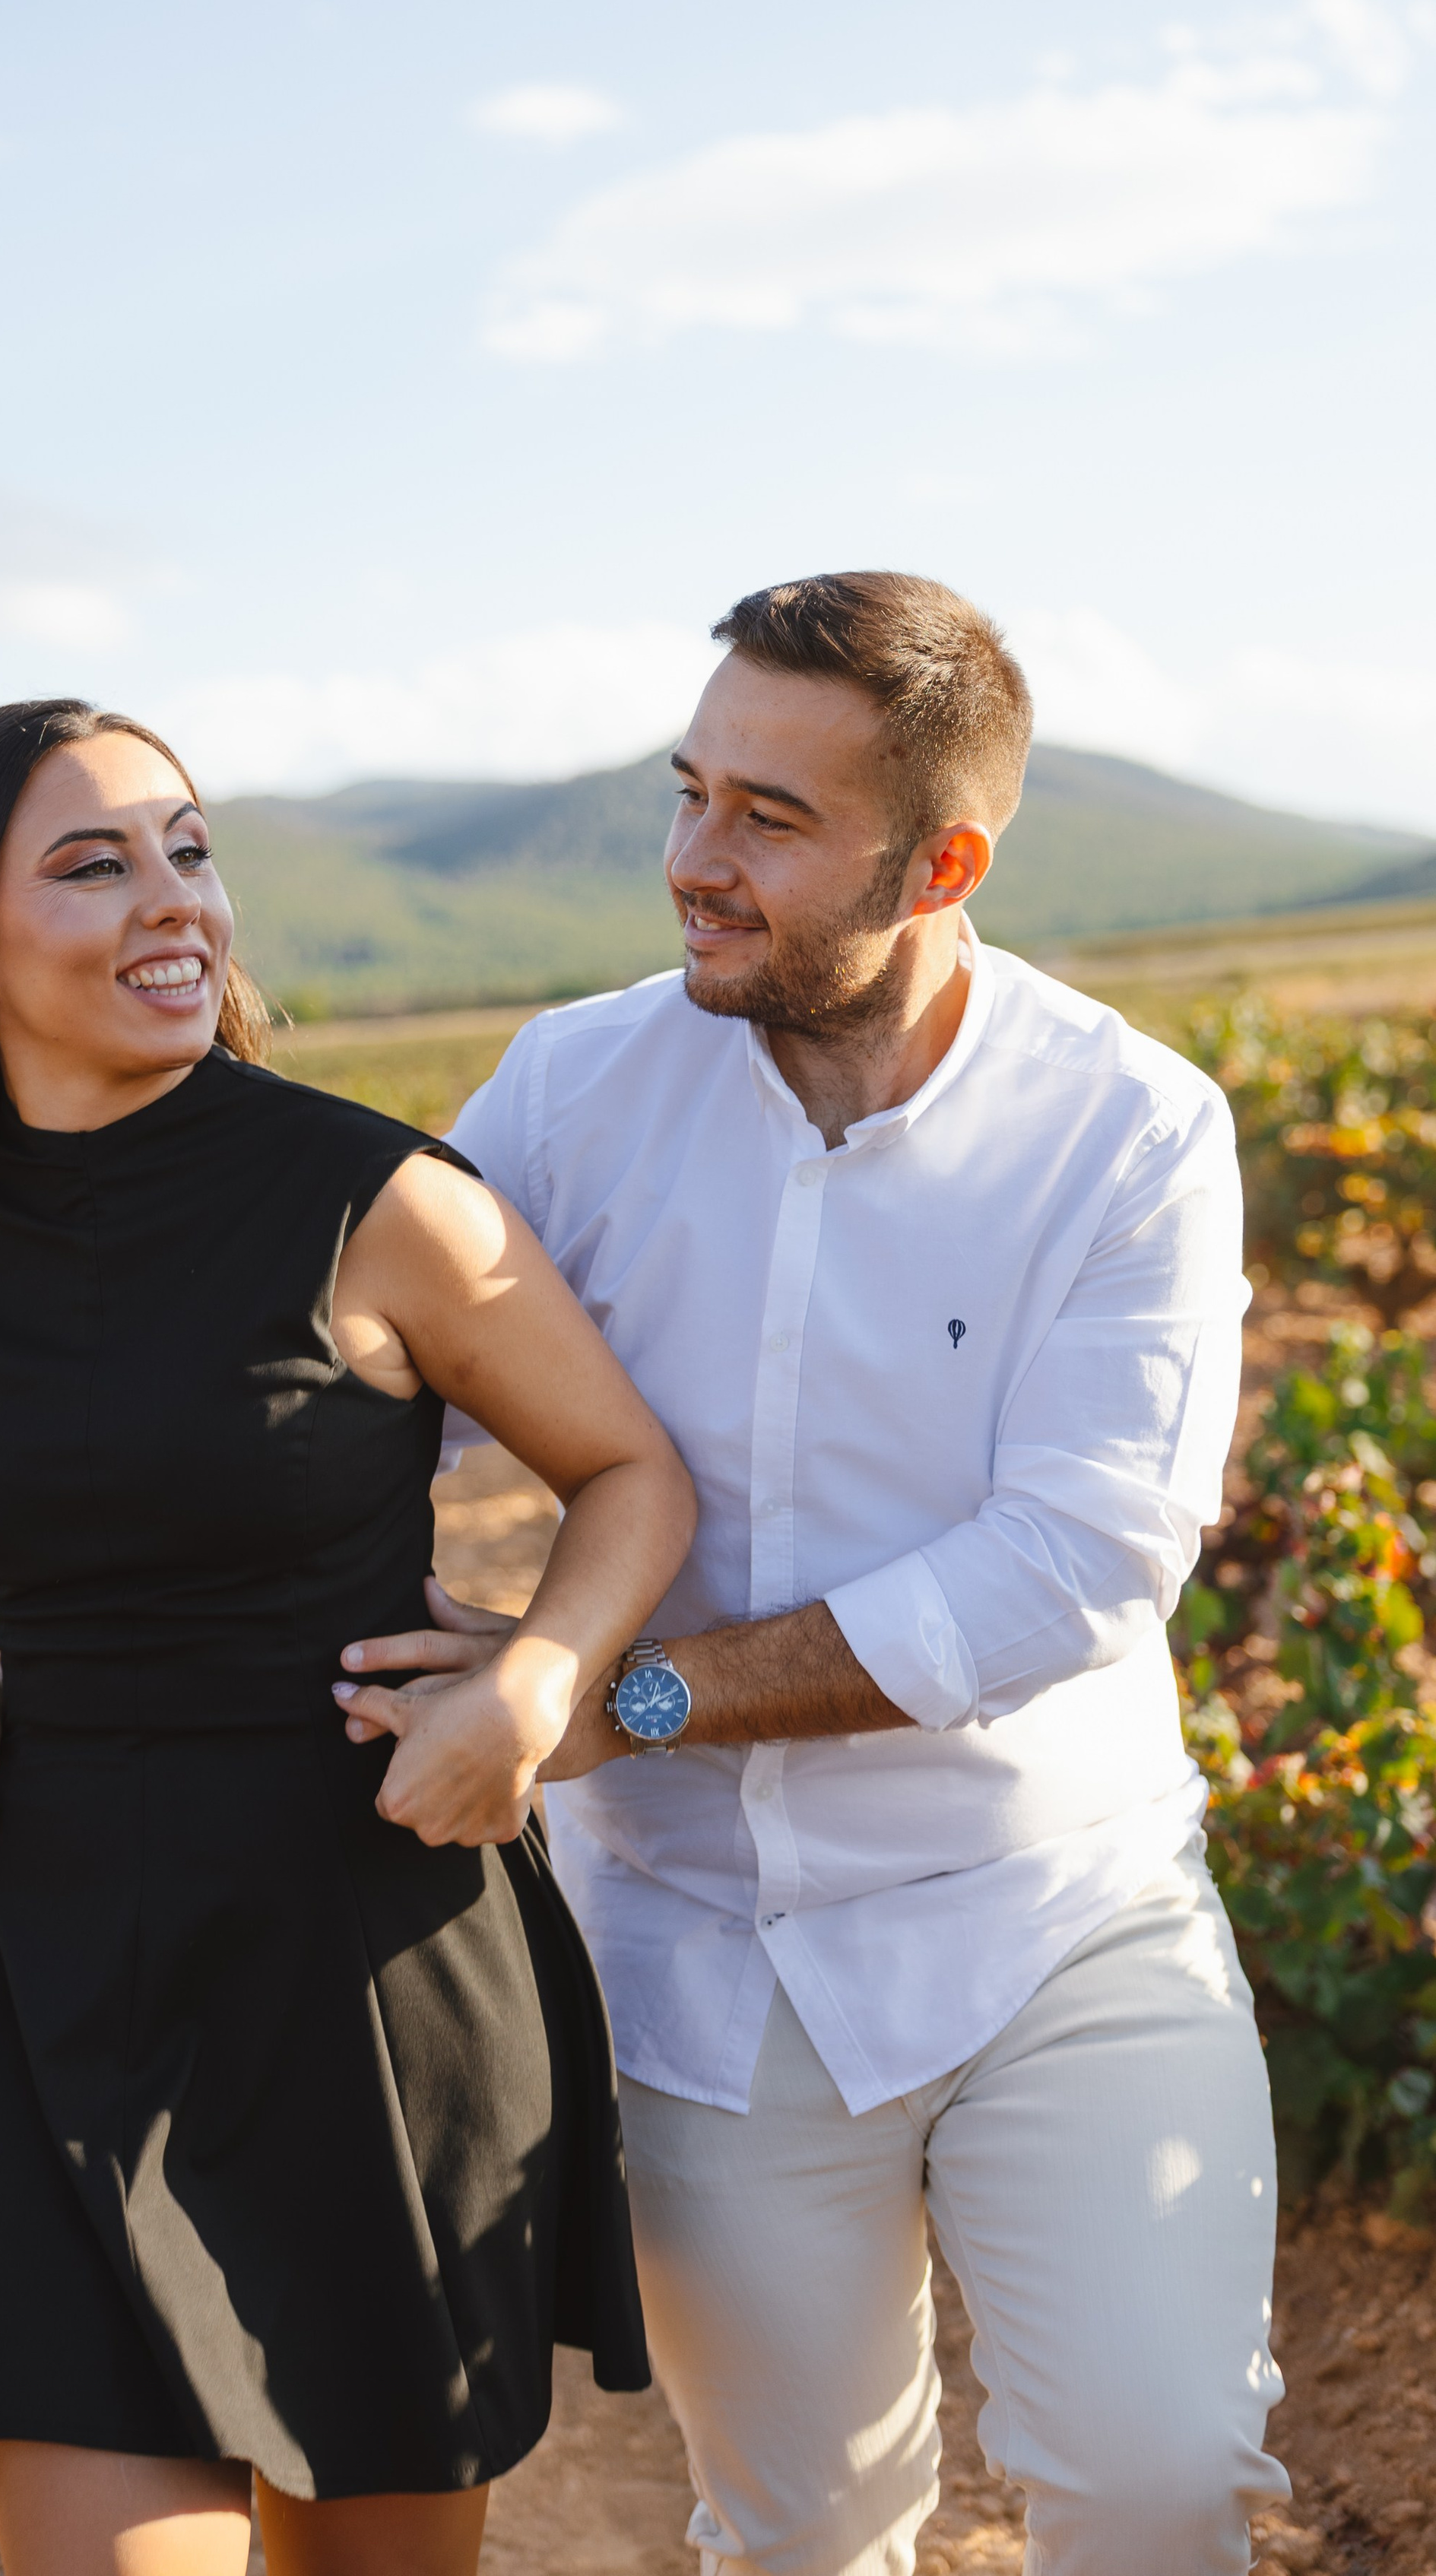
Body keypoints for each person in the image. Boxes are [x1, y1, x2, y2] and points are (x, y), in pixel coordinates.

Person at [338, 575, 1291, 2576]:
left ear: (943, 861)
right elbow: (354, 1398)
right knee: (797, 2533)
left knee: (1155, 2484)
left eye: (767, 821)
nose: (693, 863)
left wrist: (616, 1698)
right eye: (691, 795)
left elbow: (1077, 1562)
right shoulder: (576, 1090)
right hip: (697, 1953)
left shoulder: (1130, 1131)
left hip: (1056, 1914)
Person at [0, 700, 693, 2576]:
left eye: (186, 847)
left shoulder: (377, 1199)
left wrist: (537, 1674)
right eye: (92, 865)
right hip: (55, 1963)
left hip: (368, 1961)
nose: (171, 901)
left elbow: (627, 1472)